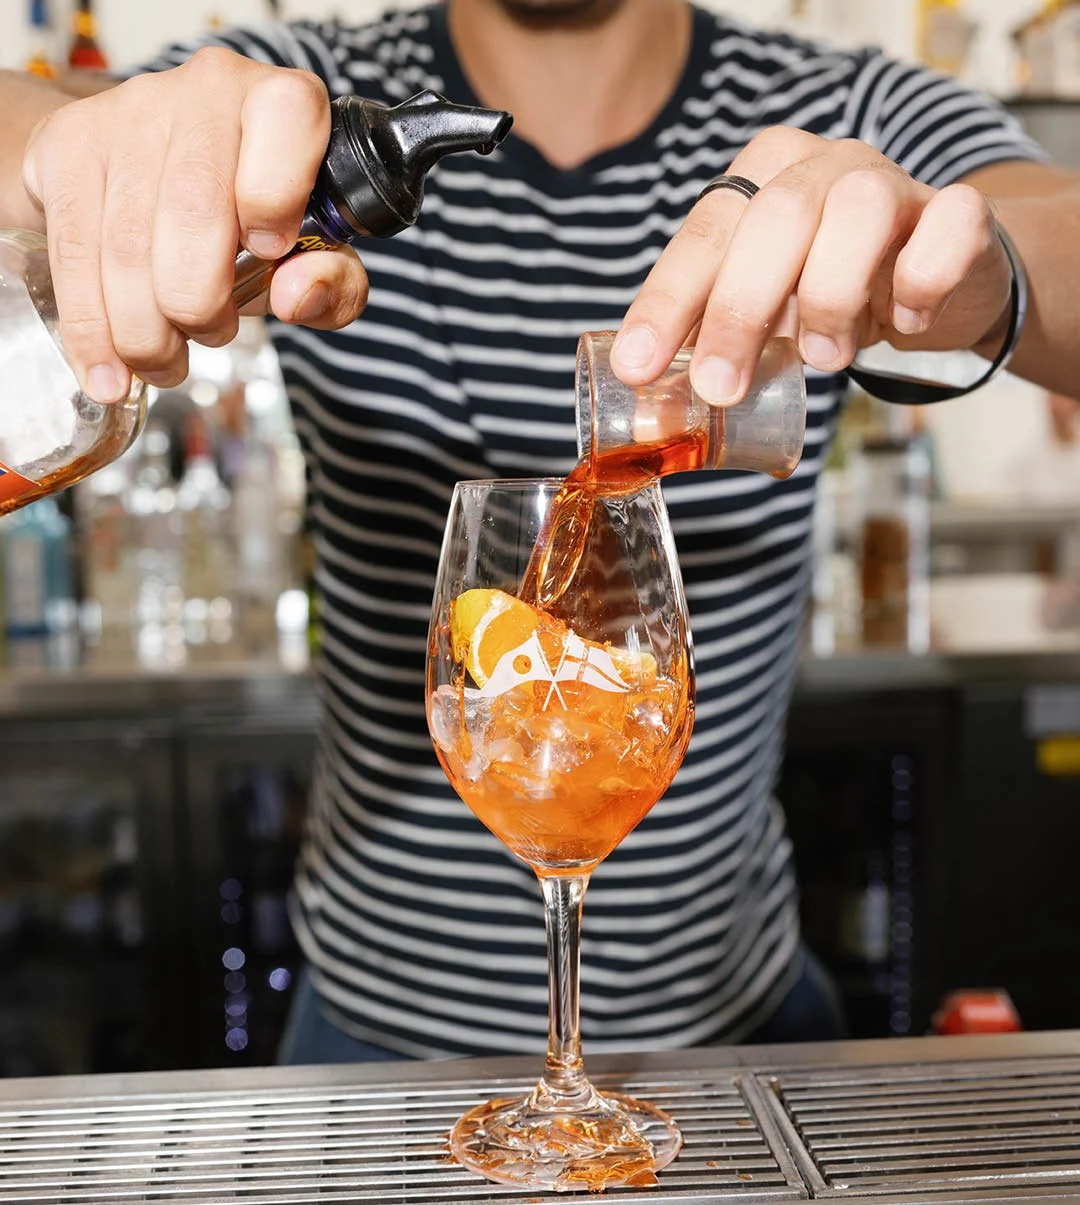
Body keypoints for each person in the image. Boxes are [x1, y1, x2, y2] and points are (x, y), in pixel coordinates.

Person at [2, 0, 1078, 1063]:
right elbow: (37, 123)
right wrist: (79, 148)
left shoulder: (846, 108)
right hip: (372, 1034)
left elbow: (1045, 221)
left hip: (737, 1025)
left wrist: (981, 280)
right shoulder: (310, 104)